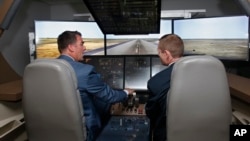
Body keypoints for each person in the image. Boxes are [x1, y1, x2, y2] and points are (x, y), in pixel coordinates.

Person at [57, 30, 134, 141]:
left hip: (57, 128)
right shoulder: (85, 71)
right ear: (71, 47)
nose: (84, 48)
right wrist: (126, 92)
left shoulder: (48, 69)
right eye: (81, 44)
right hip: (85, 132)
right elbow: (110, 96)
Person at [145, 34, 184, 141]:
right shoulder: (202, 74)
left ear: (166, 54)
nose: (159, 56)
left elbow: (151, 113)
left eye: (159, 53)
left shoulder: (156, 82)